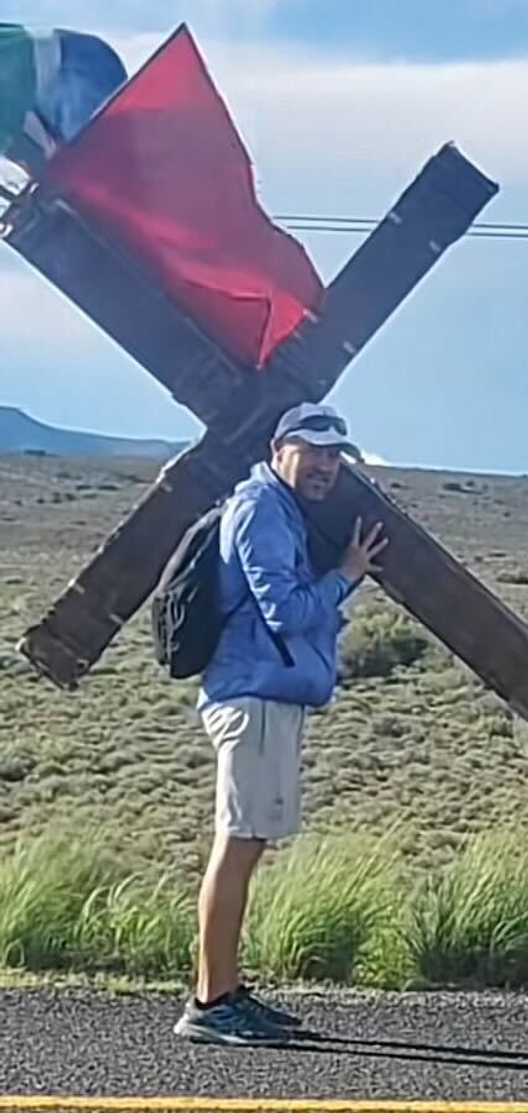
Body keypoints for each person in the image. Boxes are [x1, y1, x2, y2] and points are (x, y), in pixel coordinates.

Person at [174, 402, 387, 1046]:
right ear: (278, 448)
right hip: (254, 697)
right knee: (237, 845)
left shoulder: (278, 510)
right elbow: (285, 612)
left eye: (334, 454)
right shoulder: (263, 509)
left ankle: (225, 990)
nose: (325, 464)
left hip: (269, 697)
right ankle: (211, 1005)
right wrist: (346, 577)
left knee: (247, 843)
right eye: (313, 449)